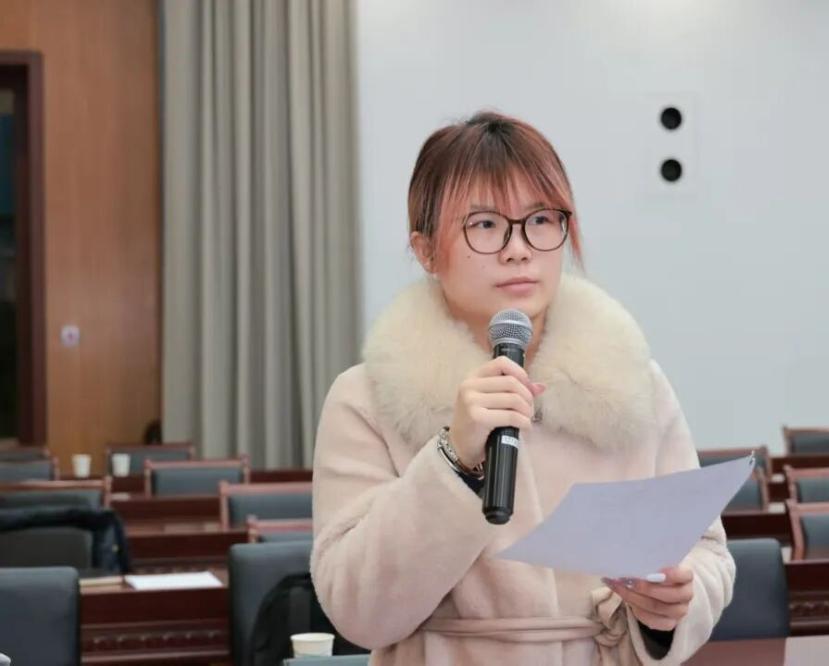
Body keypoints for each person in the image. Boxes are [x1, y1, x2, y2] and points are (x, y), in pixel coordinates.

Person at [310, 111, 734, 665]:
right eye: (485, 225)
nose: (518, 248)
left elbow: (705, 552)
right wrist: (453, 460)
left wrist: (671, 607)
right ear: (426, 250)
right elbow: (358, 611)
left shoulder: (634, 383)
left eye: (540, 220)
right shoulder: (366, 400)